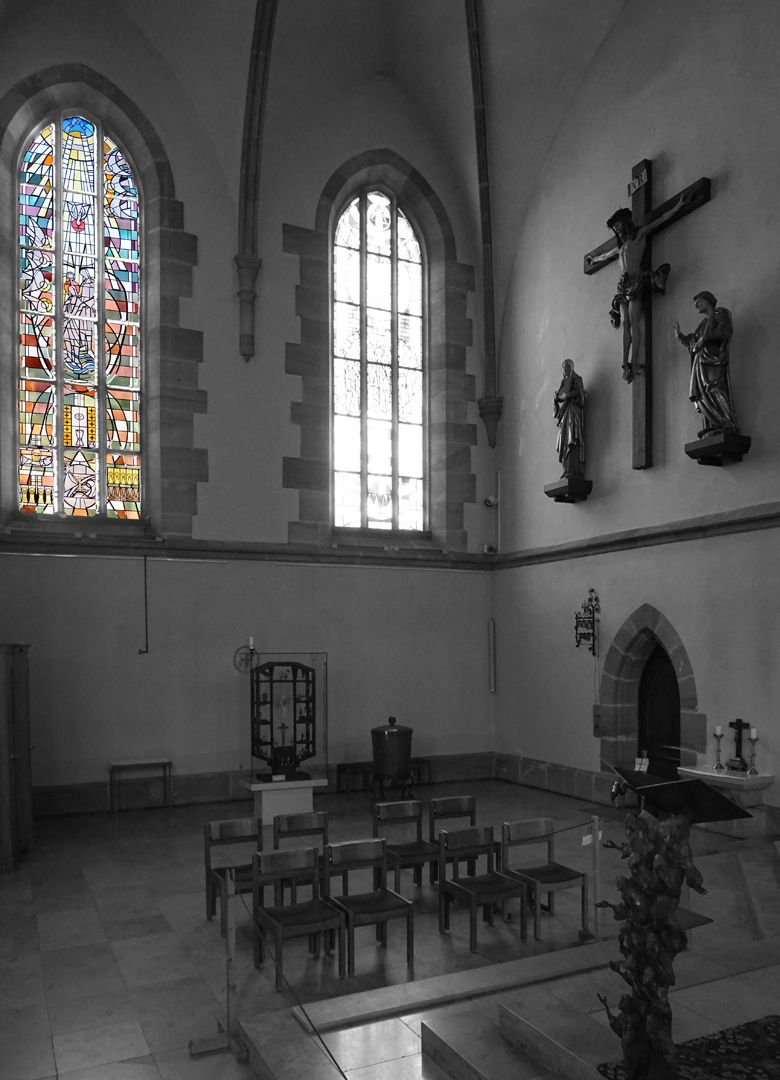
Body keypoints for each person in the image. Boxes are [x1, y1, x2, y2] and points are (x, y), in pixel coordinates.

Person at [586, 192, 691, 382]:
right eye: (615, 230)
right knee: (625, 324)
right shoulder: (621, 246)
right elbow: (605, 255)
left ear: (625, 223)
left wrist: (678, 206)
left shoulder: (639, 235)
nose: (617, 232)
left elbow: (660, 219)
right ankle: (624, 362)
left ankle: (634, 362)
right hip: (622, 285)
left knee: (634, 324)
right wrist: (593, 259)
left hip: (635, 281)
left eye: (618, 227)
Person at [674, 291, 738, 438]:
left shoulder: (720, 313)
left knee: (714, 387)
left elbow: (725, 330)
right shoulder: (702, 324)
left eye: (699, 302)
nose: (696, 306)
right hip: (700, 362)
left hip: (713, 360)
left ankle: (727, 422)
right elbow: (693, 342)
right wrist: (680, 336)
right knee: (702, 394)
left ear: (708, 300)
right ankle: (712, 424)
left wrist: (705, 338)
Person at [553, 359, 586, 478]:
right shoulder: (564, 382)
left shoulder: (577, 379)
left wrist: (572, 395)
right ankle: (566, 468)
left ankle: (574, 469)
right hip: (565, 413)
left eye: (568, 368)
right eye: (564, 368)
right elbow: (561, 396)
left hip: (574, 413)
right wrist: (556, 398)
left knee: (573, 438)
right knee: (564, 439)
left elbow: (582, 399)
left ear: (571, 368)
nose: (566, 370)